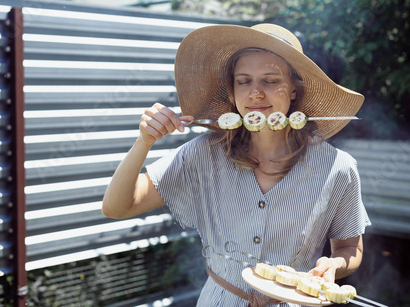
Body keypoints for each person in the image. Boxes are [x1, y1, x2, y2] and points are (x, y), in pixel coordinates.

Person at [102, 23, 371, 306]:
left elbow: (349, 248)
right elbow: (117, 207)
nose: (255, 93)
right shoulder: (203, 154)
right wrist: (143, 142)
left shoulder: (338, 167)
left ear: (293, 90)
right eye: (244, 81)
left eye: (270, 80)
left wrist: (334, 265)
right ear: (232, 91)